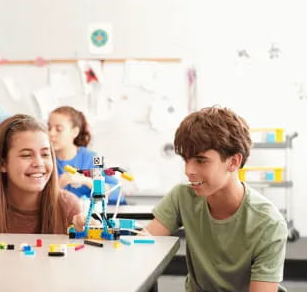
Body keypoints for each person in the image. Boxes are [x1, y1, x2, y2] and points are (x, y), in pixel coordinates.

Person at [142, 106, 288, 292]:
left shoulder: (268, 224)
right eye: (186, 160)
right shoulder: (182, 197)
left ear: (233, 162)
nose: (189, 171)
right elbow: (145, 241)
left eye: (201, 160)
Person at [0, 114, 82, 233]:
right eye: (26, 155)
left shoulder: (69, 207)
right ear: (2, 164)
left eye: (45, 154)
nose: (39, 163)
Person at [47, 106, 126, 205]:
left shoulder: (93, 158)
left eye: (58, 129)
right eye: (49, 127)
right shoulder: (45, 159)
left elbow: (117, 193)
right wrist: (58, 186)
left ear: (75, 132)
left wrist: (87, 181)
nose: (51, 133)